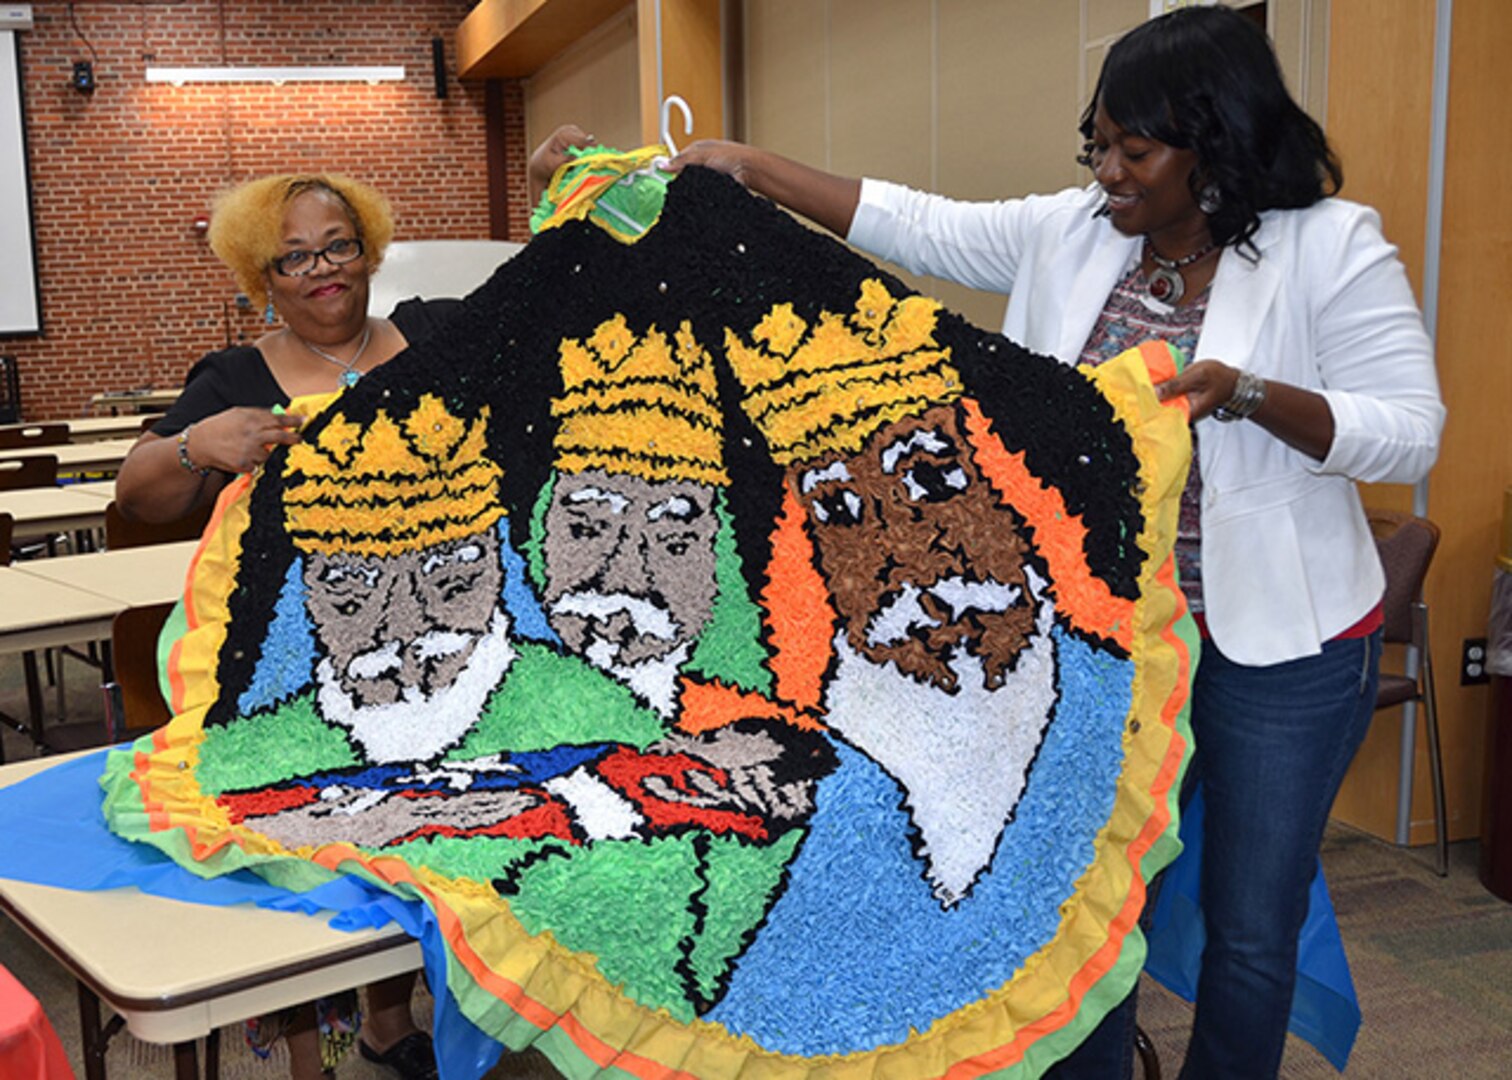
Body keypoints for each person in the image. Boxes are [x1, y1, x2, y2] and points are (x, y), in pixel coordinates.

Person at [530, 5, 1445, 1077]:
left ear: (1218, 140)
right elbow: (915, 224)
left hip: (1278, 648)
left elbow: (1406, 429)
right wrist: (749, 168)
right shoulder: (1075, 234)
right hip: (1111, 646)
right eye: (1095, 145)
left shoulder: (1331, 244)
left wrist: (1244, 393)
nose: (1108, 170)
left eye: (1133, 149)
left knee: (1252, 920)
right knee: (1081, 911)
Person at [114, 173, 451, 1080]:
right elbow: (136, 491)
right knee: (312, 845)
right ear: (262, 277)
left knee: (419, 840)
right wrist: (197, 445)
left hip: (440, 643)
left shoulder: (436, 332)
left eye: (338, 245)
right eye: (293, 257)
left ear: (368, 249)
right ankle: (315, 1055)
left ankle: (388, 1020)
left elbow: (558, 312)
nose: (322, 269)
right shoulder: (233, 378)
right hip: (296, 661)